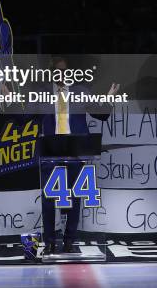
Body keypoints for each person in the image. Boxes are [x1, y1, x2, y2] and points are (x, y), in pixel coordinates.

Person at [40, 57, 120, 255]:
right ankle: (49, 242)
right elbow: (22, 118)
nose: (62, 75)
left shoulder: (81, 92)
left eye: (65, 71)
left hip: (75, 152)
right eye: (57, 71)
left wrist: (108, 98)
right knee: (49, 199)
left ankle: (69, 241)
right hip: (51, 152)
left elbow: (100, 114)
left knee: (75, 197)